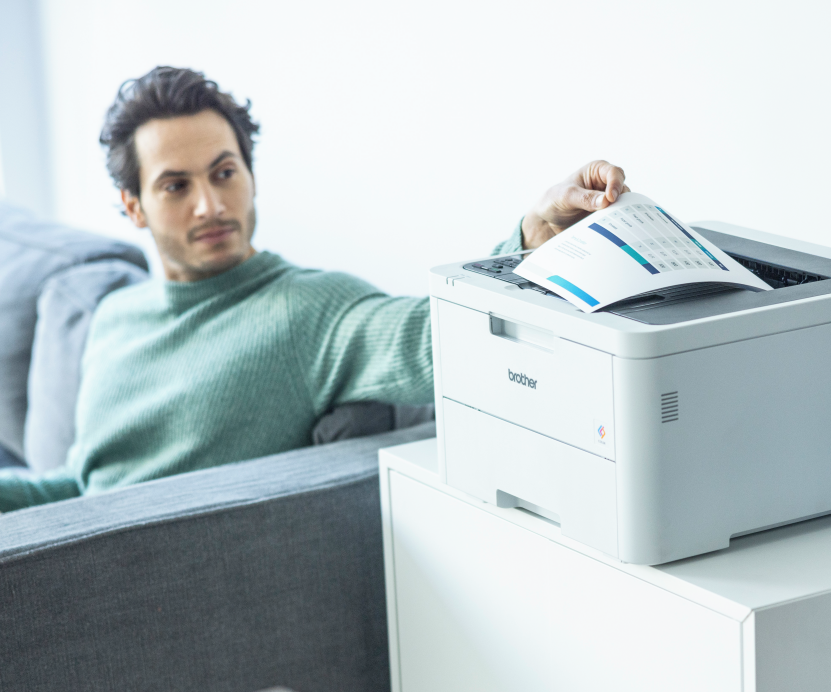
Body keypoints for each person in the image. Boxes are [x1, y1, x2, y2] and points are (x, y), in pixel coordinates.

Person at [0, 66, 627, 512]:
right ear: (132, 206)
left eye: (224, 172)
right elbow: (83, 487)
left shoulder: (309, 313)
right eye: (175, 186)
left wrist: (530, 234)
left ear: (250, 174)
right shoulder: (115, 315)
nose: (210, 205)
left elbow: (442, 340)